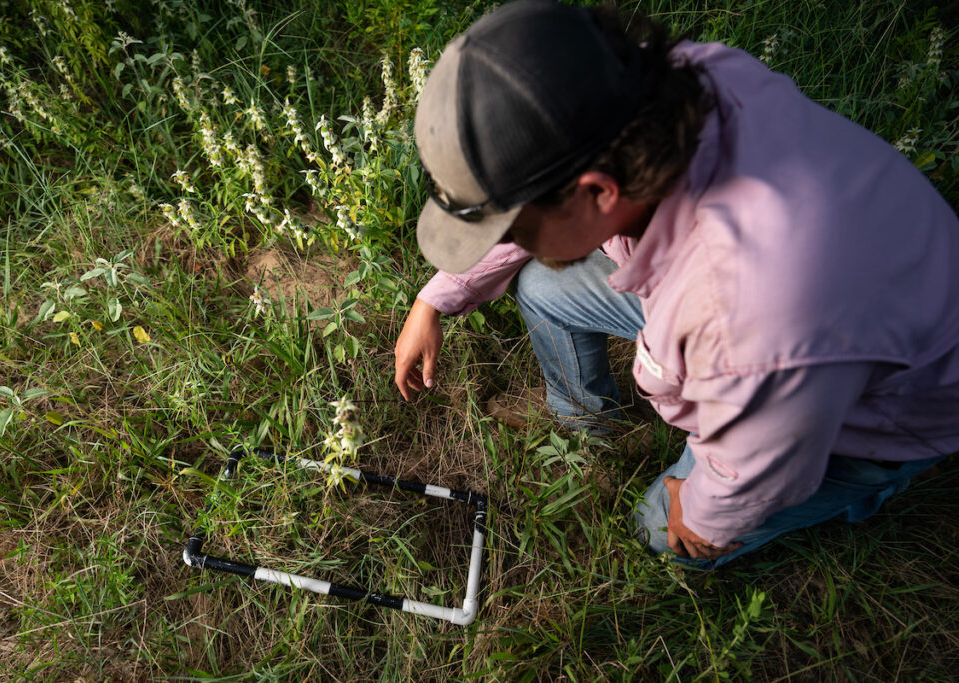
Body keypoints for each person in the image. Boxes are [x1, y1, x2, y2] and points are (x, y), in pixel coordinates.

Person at [392, 0, 959, 568]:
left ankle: (868, 487)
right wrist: (433, 300)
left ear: (598, 192)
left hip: (867, 409)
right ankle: (588, 425)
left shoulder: (753, 311)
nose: (512, 239)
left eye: (514, 227)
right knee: (544, 286)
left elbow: (763, 458)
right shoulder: (657, 90)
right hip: (786, 332)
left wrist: (707, 512)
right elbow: (544, 179)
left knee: (663, 535)